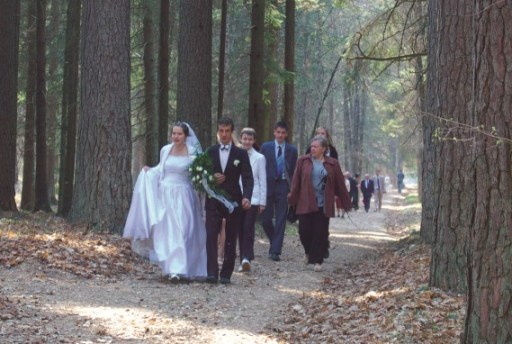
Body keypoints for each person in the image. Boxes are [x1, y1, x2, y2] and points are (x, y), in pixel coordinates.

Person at [123, 122, 207, 282]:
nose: (176, 137)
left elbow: (197, 175)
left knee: (184, 230)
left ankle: (184, 267)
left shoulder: (193, 154)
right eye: (174, 133)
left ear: (186, 136)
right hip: (166, 194)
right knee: (168, 231)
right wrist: (149, 171)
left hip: (184, 194)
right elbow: (161, 169)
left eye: (179, 134)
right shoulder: (165, 150)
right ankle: (173, 269)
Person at [288, 136, 351, 272]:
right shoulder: (303, 161)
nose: (313, 149)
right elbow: (295, 182)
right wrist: (292, 199)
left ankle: (318, 260)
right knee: (304, 231)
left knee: (320, 233)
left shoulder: (332, 164)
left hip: (323, 203)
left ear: (323, 149)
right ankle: (307, 252)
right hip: (305, 202)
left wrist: (346, 202)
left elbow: (340, 184)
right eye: (312, 146)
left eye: (316, 147)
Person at [204, 117, 253, 284]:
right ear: (217, 131)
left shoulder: (240, 153)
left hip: (233, 200)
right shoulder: (210, 151)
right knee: (211, 235)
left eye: (227, 131)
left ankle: (226, 274)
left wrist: (247, 196)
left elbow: (248, 177)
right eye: (221, 131)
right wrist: (211, 177)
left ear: (232, 132)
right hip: (213, 199)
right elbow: (202, 176)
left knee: (231, 236)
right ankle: (211, 273)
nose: (224, 134)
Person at [260, 121, 298, 262]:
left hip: (283, 186)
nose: (280, 135)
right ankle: (274, 242)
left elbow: (293, 171)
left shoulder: (292, 150)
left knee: (281, 218)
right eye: (278, 132)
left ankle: (275, 251)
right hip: (268, 185)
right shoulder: (266, 147)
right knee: (265, 219)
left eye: (283, 133)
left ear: (286, 134)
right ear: (274, 132)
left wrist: (292, 190)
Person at [237, 128, 267, 272]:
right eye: (245, 139)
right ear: (240, 139)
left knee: (248, 227)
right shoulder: (235, 155)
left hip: (253, 198)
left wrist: (262, 201)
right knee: (239, 228)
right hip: (237, 197)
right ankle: (243, 255)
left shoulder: (259, 158)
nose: (247, 142)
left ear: (254, 141)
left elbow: (262, 180)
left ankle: (246, 258)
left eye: (250, 139)